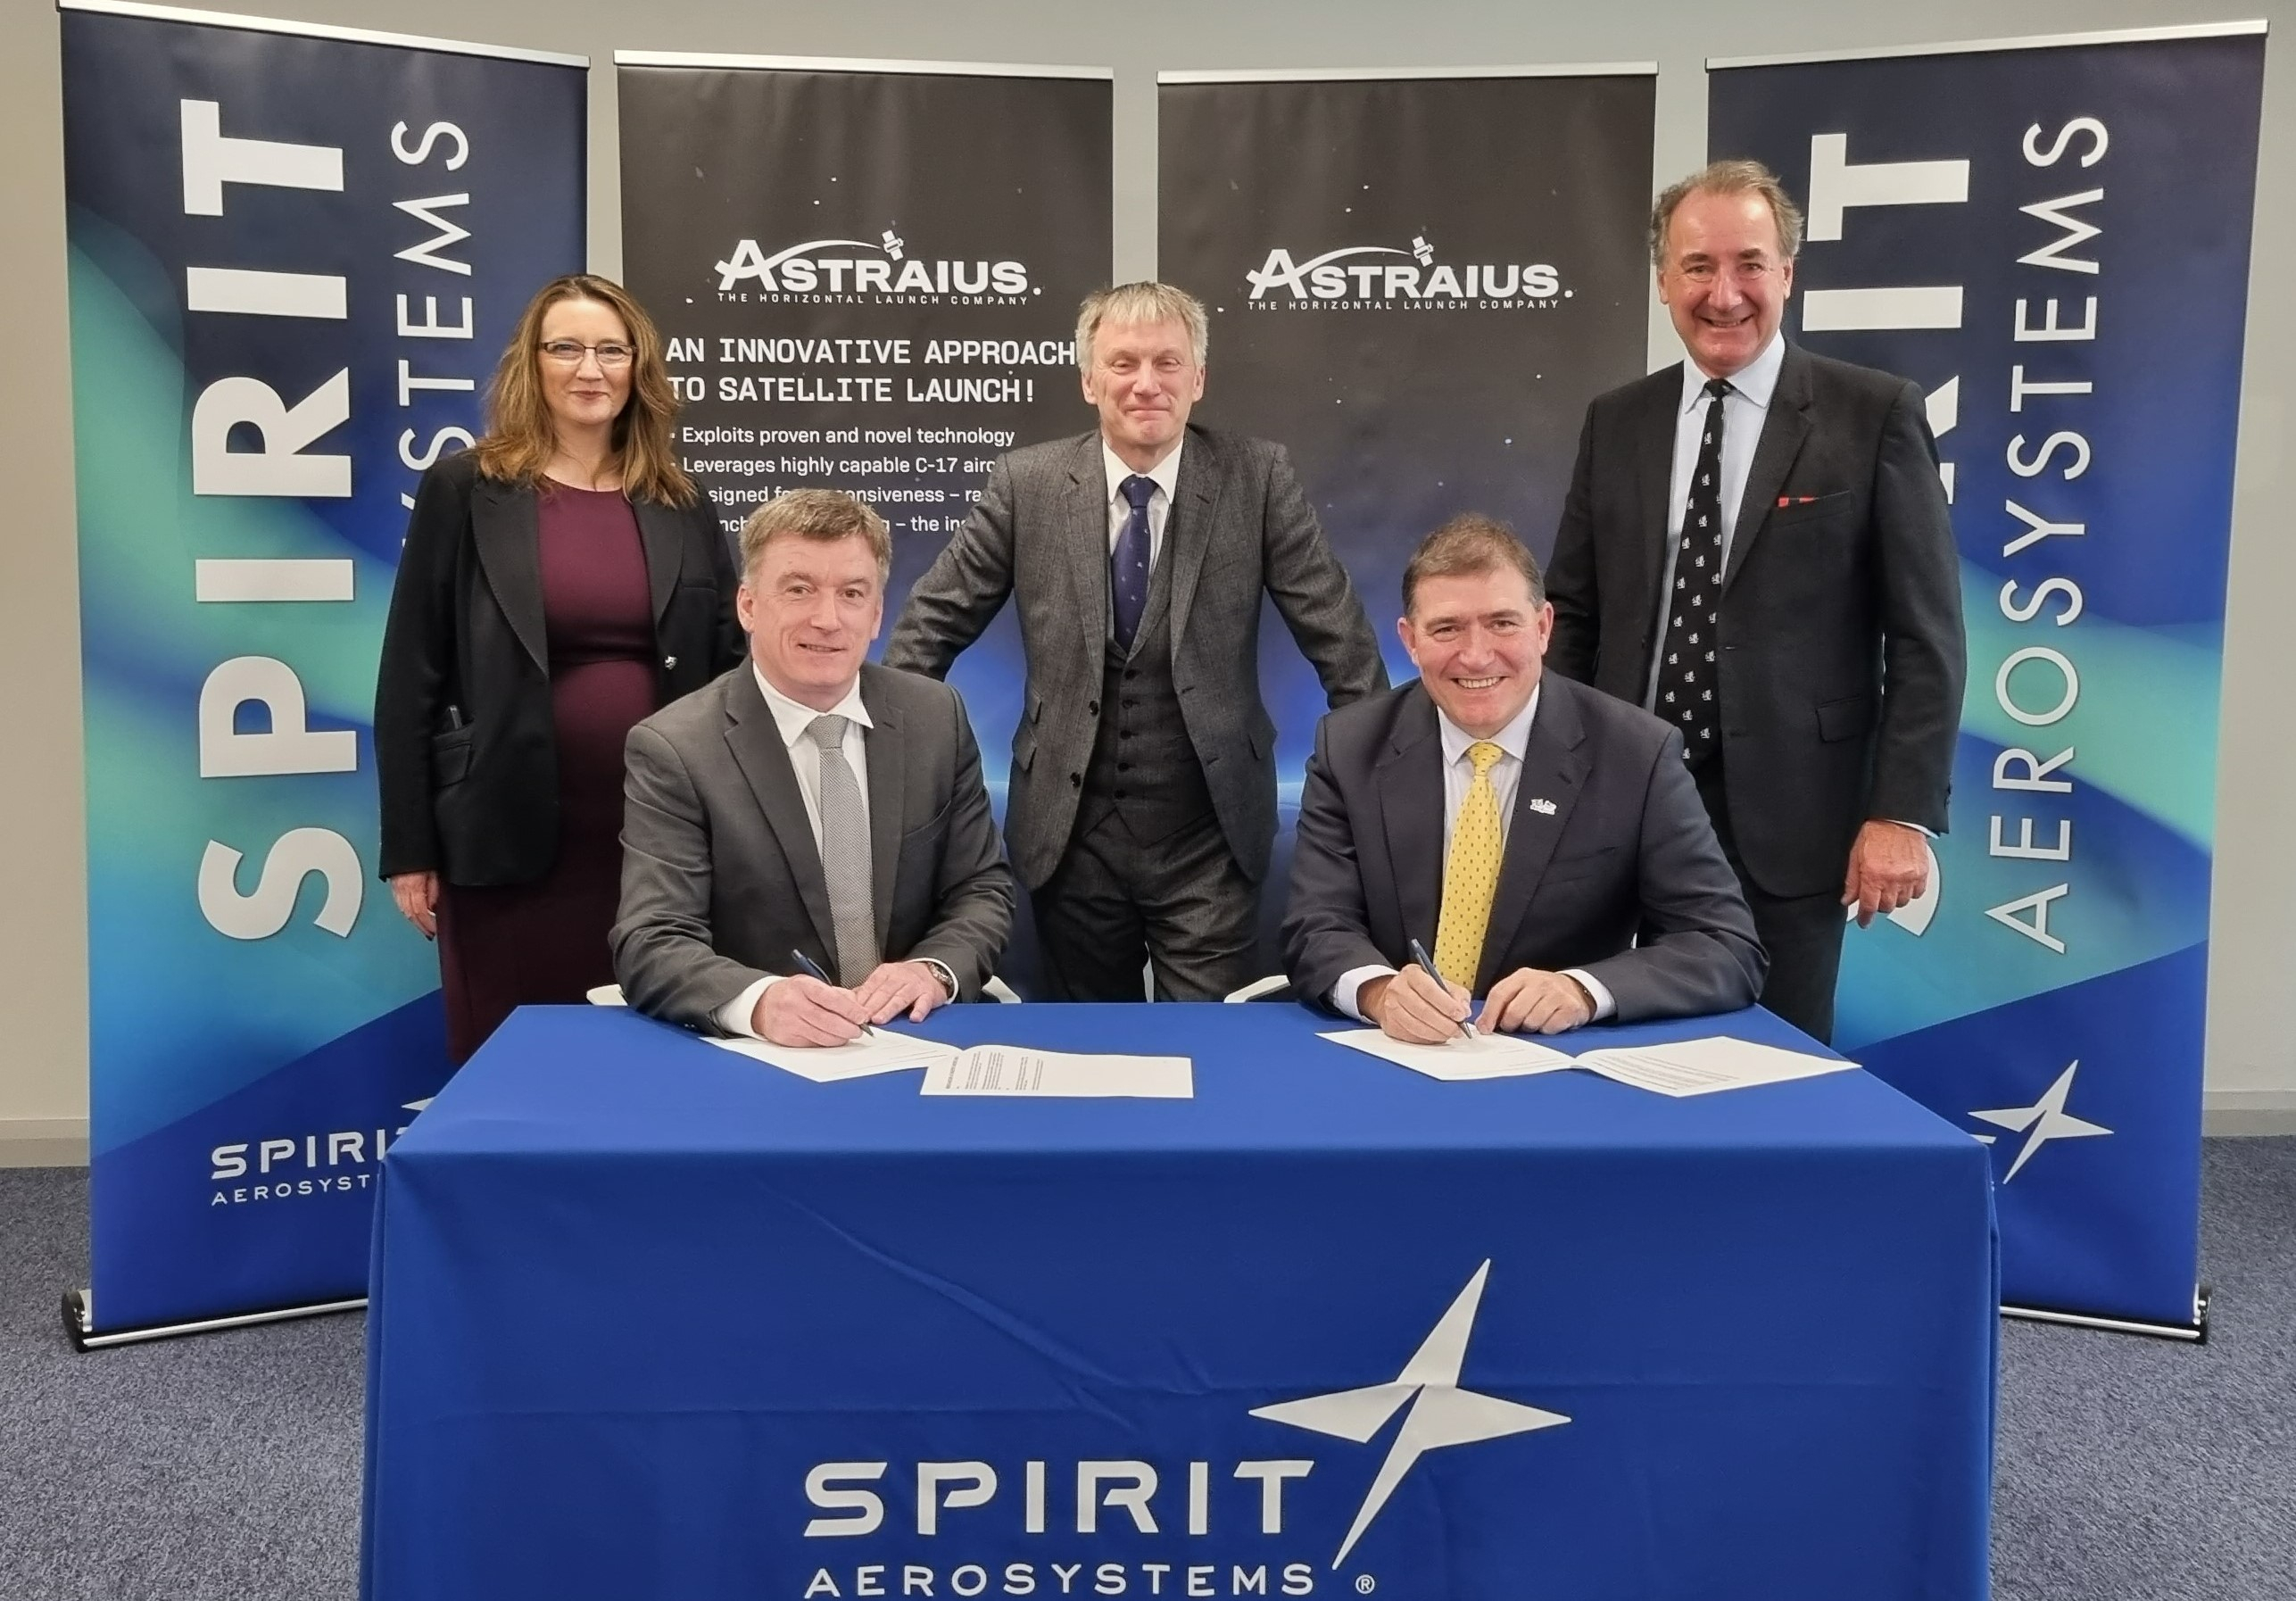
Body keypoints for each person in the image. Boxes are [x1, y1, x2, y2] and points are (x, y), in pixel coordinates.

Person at [1545, 161, 1965, 1043]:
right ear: (1663, 280)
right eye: (1697, 266)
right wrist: (1552, 778)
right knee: (1611, 1051)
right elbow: (1573, 616)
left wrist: (1897, 813)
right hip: (1622, 804)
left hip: (1793, 820)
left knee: (1773, 1070)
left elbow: (1924, 635)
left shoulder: (1873, 414)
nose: (1724, 293)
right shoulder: (1615, 421)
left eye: (1748, 264)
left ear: (1787, 274)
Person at [885, 282, 1387, 1002]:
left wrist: (1377, 785)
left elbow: (1338, 635)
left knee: (1209, 1044)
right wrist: (891, 757)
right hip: (1067, 837)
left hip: (1210, 835)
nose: (1146, 383)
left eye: (1167, 362)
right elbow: (932, 624)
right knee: (1088, 1047)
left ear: (1198, 378)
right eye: (1122, 363)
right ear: (1089, 381)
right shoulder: (1025, 483)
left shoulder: (1258, 477)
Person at [377, 273, 743, 1062]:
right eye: (566, 348)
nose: (590, 369)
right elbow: (411, 672)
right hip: (504, 830)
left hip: (659, 835)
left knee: (652, 1057)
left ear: (638, 367)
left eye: (611, 350)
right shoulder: (465, 489)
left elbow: (729, 660)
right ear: (531, 363)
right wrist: (410, 848)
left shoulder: (680, 500)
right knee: (514, 1060)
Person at [1284, 516, 1763, 1044]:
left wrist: (1583, 991)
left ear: (1543, 627)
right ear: (1410, 640)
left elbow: (1723, 944)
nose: (1476, 655)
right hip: (1392, 1049)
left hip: (1558, 1058)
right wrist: (1379, 992)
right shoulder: (1349, 747)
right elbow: (1316, 927)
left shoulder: (1636, 754)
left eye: (1502, 623)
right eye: (1446, 629)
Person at [612, 491, 1015, 1046]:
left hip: (918, 1033)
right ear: (748, 606)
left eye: (852, 593)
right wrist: (758, 1002)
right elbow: (653, 937)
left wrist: (934, 970)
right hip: (767, 1053)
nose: (827, 619)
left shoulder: (935, 717)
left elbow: (981, 888)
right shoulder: (675, 748)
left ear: (876, 615)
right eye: (799, 589)